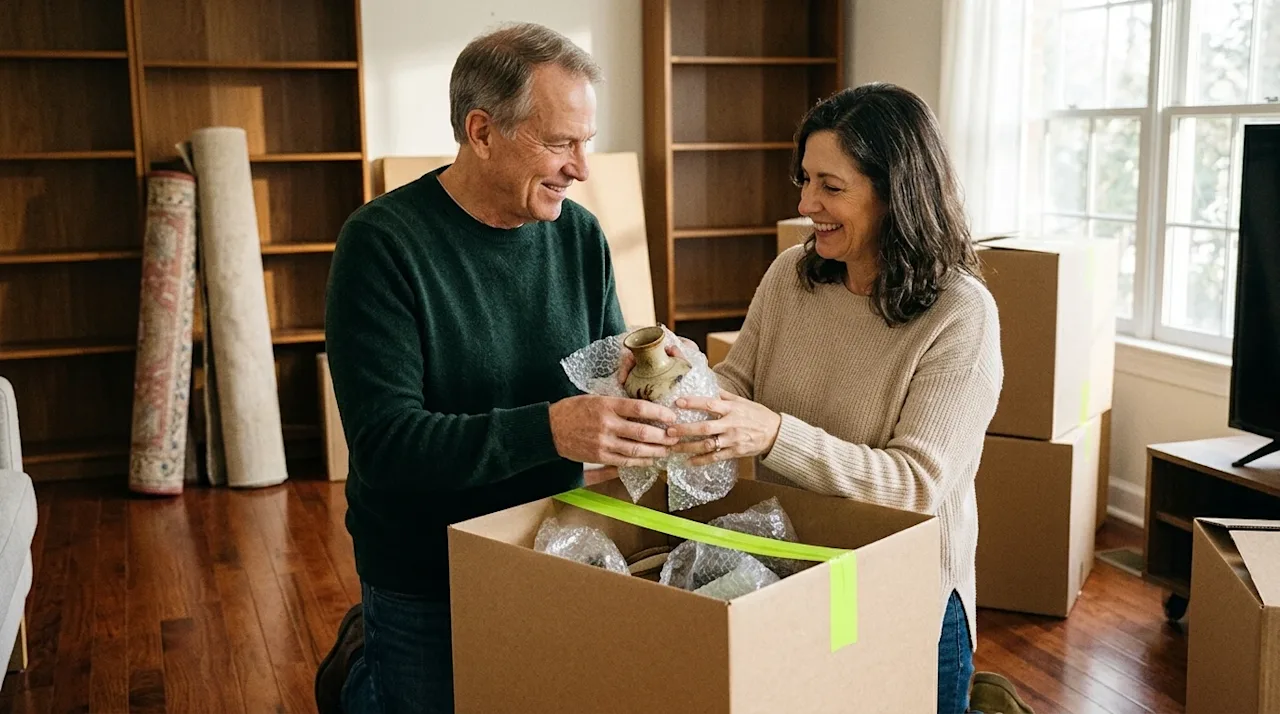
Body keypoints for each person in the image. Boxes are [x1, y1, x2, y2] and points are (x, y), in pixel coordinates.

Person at [315, 23, 680, 714]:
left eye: (587, 142)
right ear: (482, 132)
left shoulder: (578, 233)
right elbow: (387, 446)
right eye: (560, 142)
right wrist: (550, 432)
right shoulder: (381, 245)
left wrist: (652, 375)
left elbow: (605, 367)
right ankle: (362, 667)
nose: (582, 168)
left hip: (550, 546)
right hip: (427, 571)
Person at [661, 83, 1032, 714]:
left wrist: (775, 434)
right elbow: (739, 384)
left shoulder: (960, 315)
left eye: (831, 187)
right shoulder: (791, 274)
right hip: (791, 574)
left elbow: (916, 484)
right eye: (804, 180)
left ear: (897, 193)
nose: (806, 203)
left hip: (908, 599)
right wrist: (683, 380)